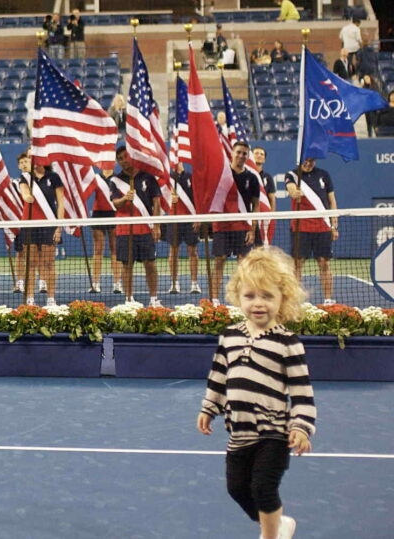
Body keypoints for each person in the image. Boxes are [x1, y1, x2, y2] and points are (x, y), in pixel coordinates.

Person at [197, 246, 315, 539]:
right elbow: (219, 375)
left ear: (282, 298)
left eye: (267, 296)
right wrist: (209, 407)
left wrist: (301, 426)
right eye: (250, 296)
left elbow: (301, 391)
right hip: (239, 432)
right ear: (238, 296)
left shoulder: (288, 343)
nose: (257, 304)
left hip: (273, 432)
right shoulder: (230, 336)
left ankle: (271, 536)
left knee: (263, 487)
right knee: (237, 489)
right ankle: (279, 524)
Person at [110, 146, 161, 306]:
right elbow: (115, 204)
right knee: (127, 265)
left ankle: (153, 298)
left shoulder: (148, 177)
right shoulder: (115, 181)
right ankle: (129, 299)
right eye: (120, 159)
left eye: (125, 156)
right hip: (125, 229)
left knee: (150, 264)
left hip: (145, 228)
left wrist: (157, 226)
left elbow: (157, 202)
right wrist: (125, 198)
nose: (123, 161)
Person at [210, 141, 260, 305]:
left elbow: (256, 205)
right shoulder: (221, 174)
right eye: (238, 152)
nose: (241, 156)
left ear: (247, 156)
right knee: (219, 261)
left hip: (243, 226)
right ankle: (215, 300)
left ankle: (242, 300)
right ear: (232, 152)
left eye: (244, 153)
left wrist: (252, 230)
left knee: (243, 264)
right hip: (222, 225)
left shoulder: (252, 178)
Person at [285, 158, 338, 305]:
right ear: (300, 159)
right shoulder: (292, 175)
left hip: (322, 226)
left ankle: (328, 300)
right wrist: (295, 192)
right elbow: (291, 190)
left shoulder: (324, 174)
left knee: (324, 263)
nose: (308, 163)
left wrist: (334, 225)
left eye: (311, 160)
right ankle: (294, 300)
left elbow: (332, 200)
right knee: (297, 264)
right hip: (300, 227)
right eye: (305, 160)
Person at [18, 158, 64, 308]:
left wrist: (59, 226)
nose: (35, 160)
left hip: (49, 224)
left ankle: (51, 299)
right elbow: (24, 192)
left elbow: (61, 204)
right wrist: (27, 197)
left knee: (49, 263)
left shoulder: (54, 177)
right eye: (32, 158)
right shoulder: (25, 177)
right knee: (30, 264)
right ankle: (30, 299)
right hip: (29, 224)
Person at [165, 163, 201, 295]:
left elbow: (197, 198)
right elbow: (160, 199)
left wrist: (197, 217)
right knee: (173, 252)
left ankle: (194, 283)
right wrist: (169, 198)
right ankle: (174, 284)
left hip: (189, 219)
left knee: (193, 251)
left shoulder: (191, 177)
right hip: (173, 219)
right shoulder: (167, 179)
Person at [89, 170, 123, 293]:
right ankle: (95, 283)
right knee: (98, 250)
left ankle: (117, 283)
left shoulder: (118, 179)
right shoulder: (95, 178)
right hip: (98, 215)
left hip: (114, 214)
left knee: (115, 249)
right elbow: (85, 193)